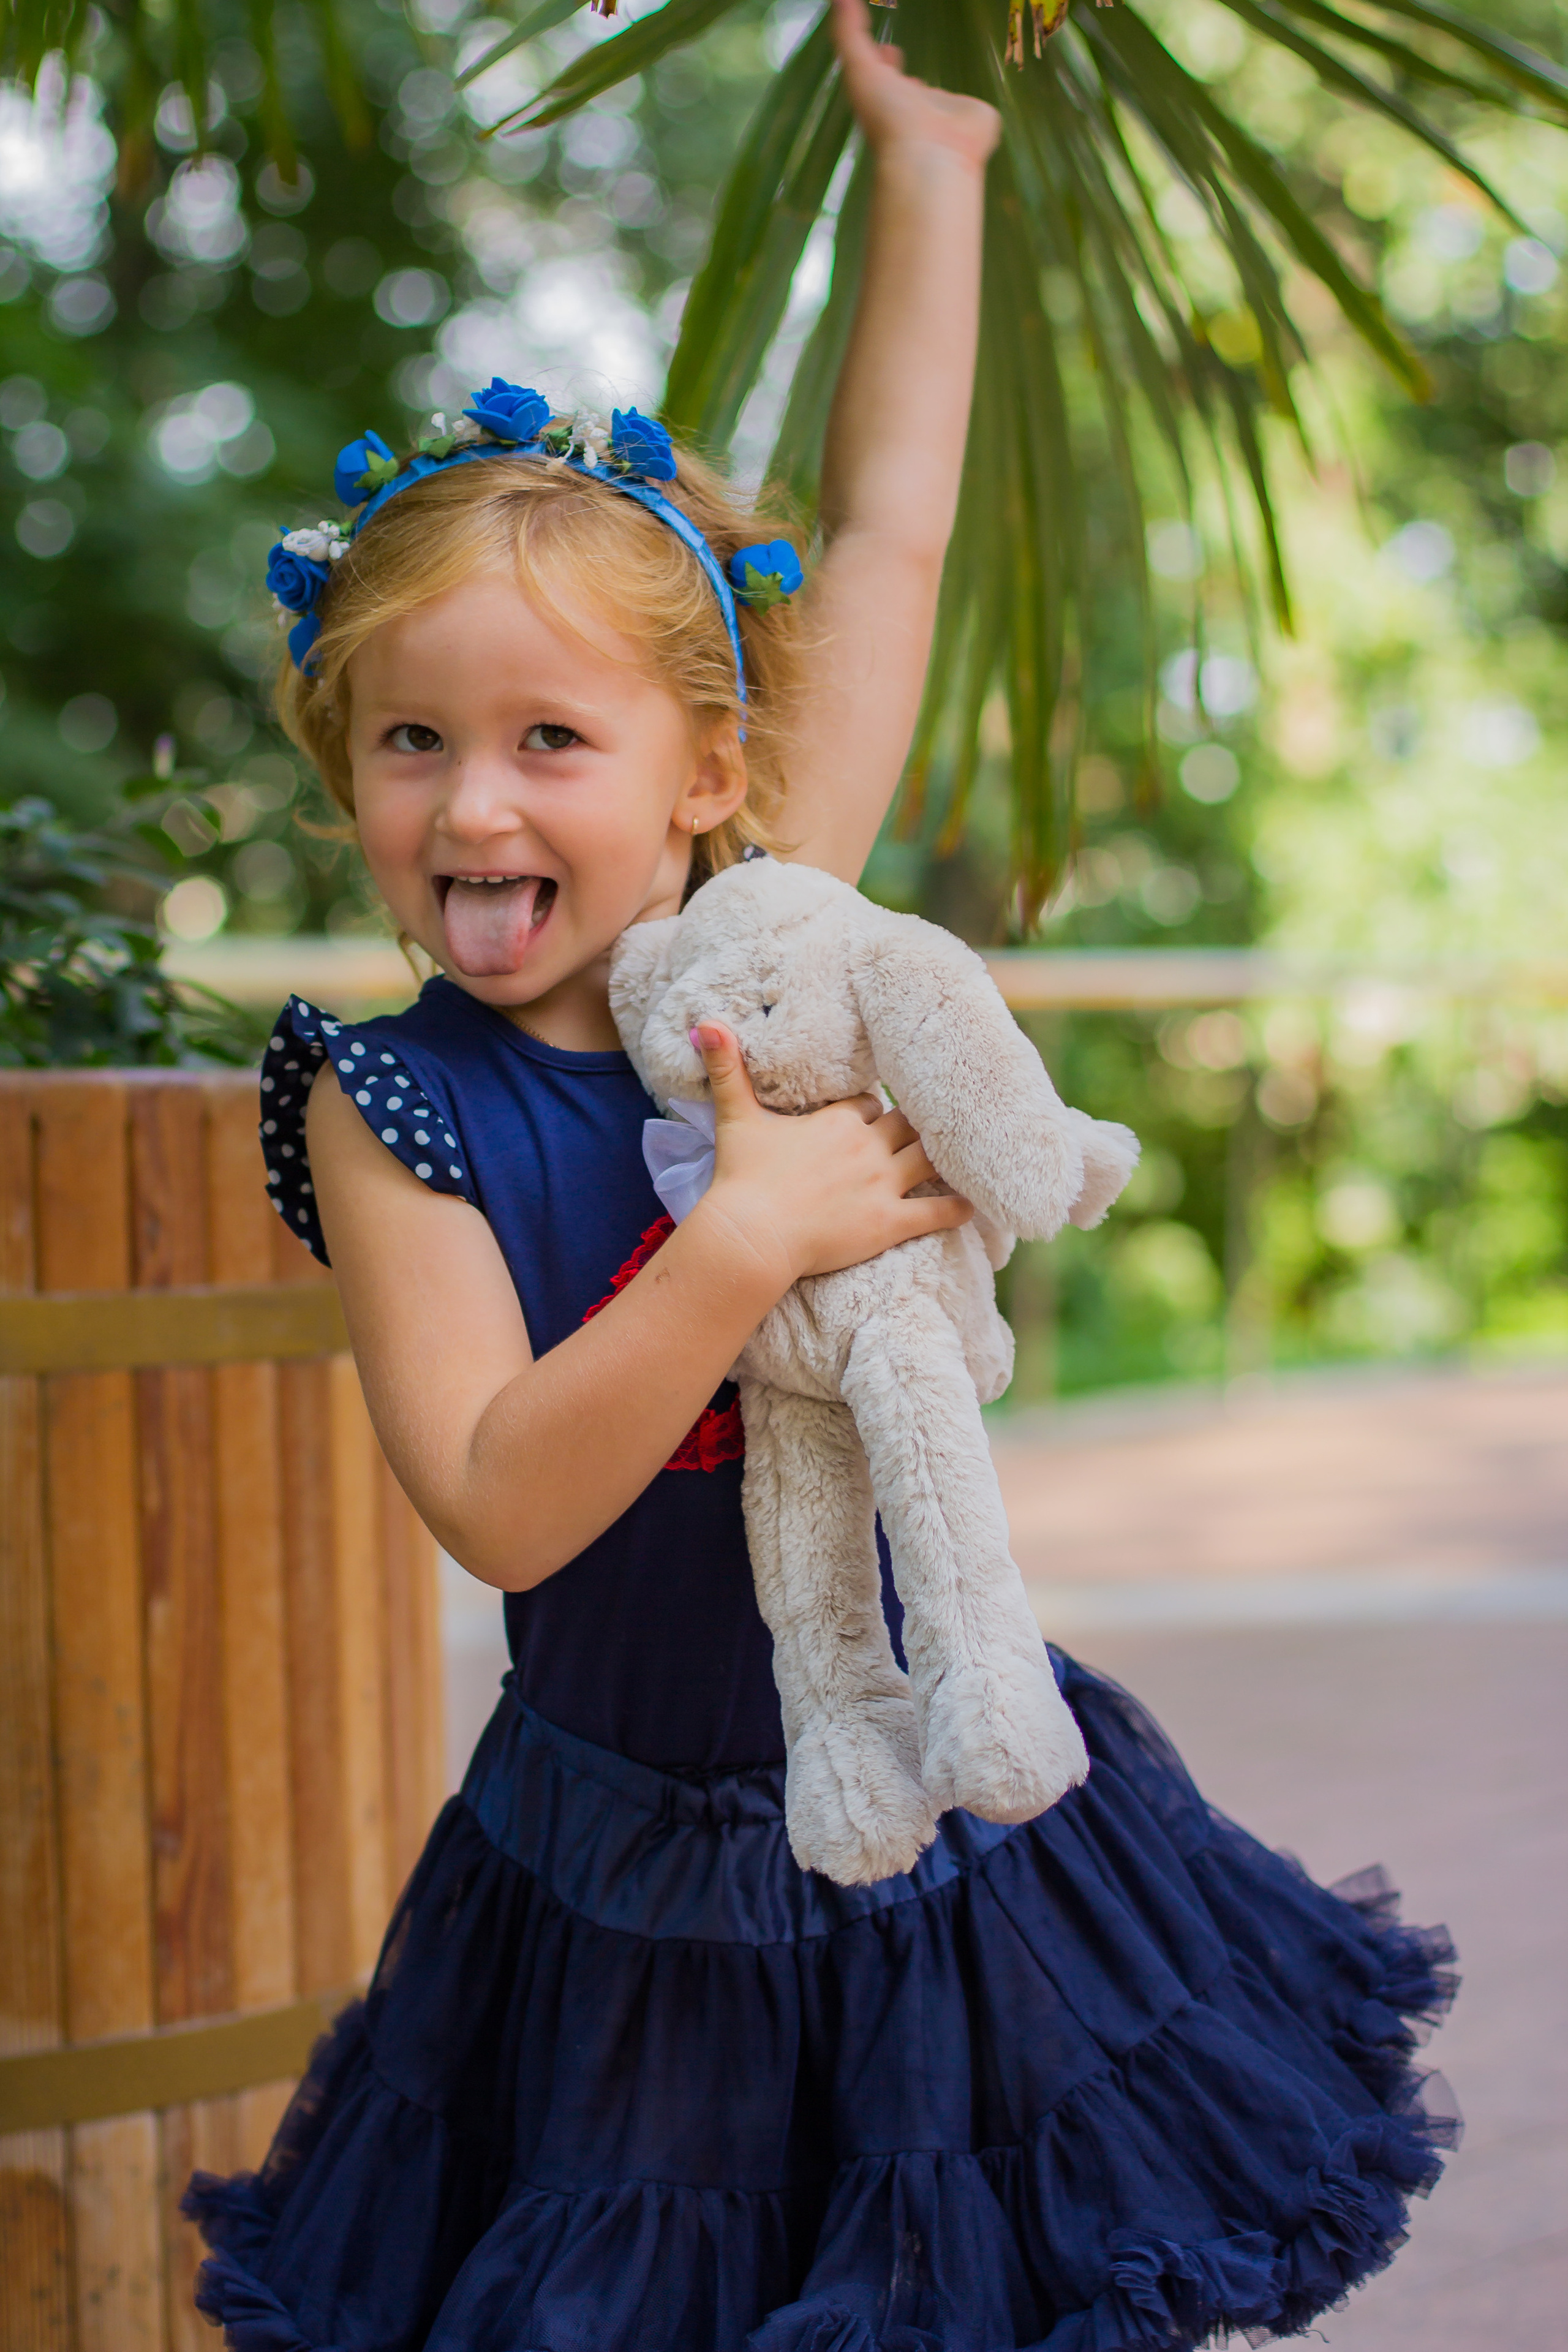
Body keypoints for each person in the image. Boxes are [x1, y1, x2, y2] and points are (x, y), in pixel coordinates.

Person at [184, 3, 1457, 2343]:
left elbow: (892, 527)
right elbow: (495, 1500)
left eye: (550, 740)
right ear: (345, 770)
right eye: (412, 744)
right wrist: (737, 1240)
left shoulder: (765, 942)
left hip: (934, 1829)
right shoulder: (390, 1106)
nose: (476, 806)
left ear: (704, 776)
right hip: (624, 1892)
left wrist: (935, 173)